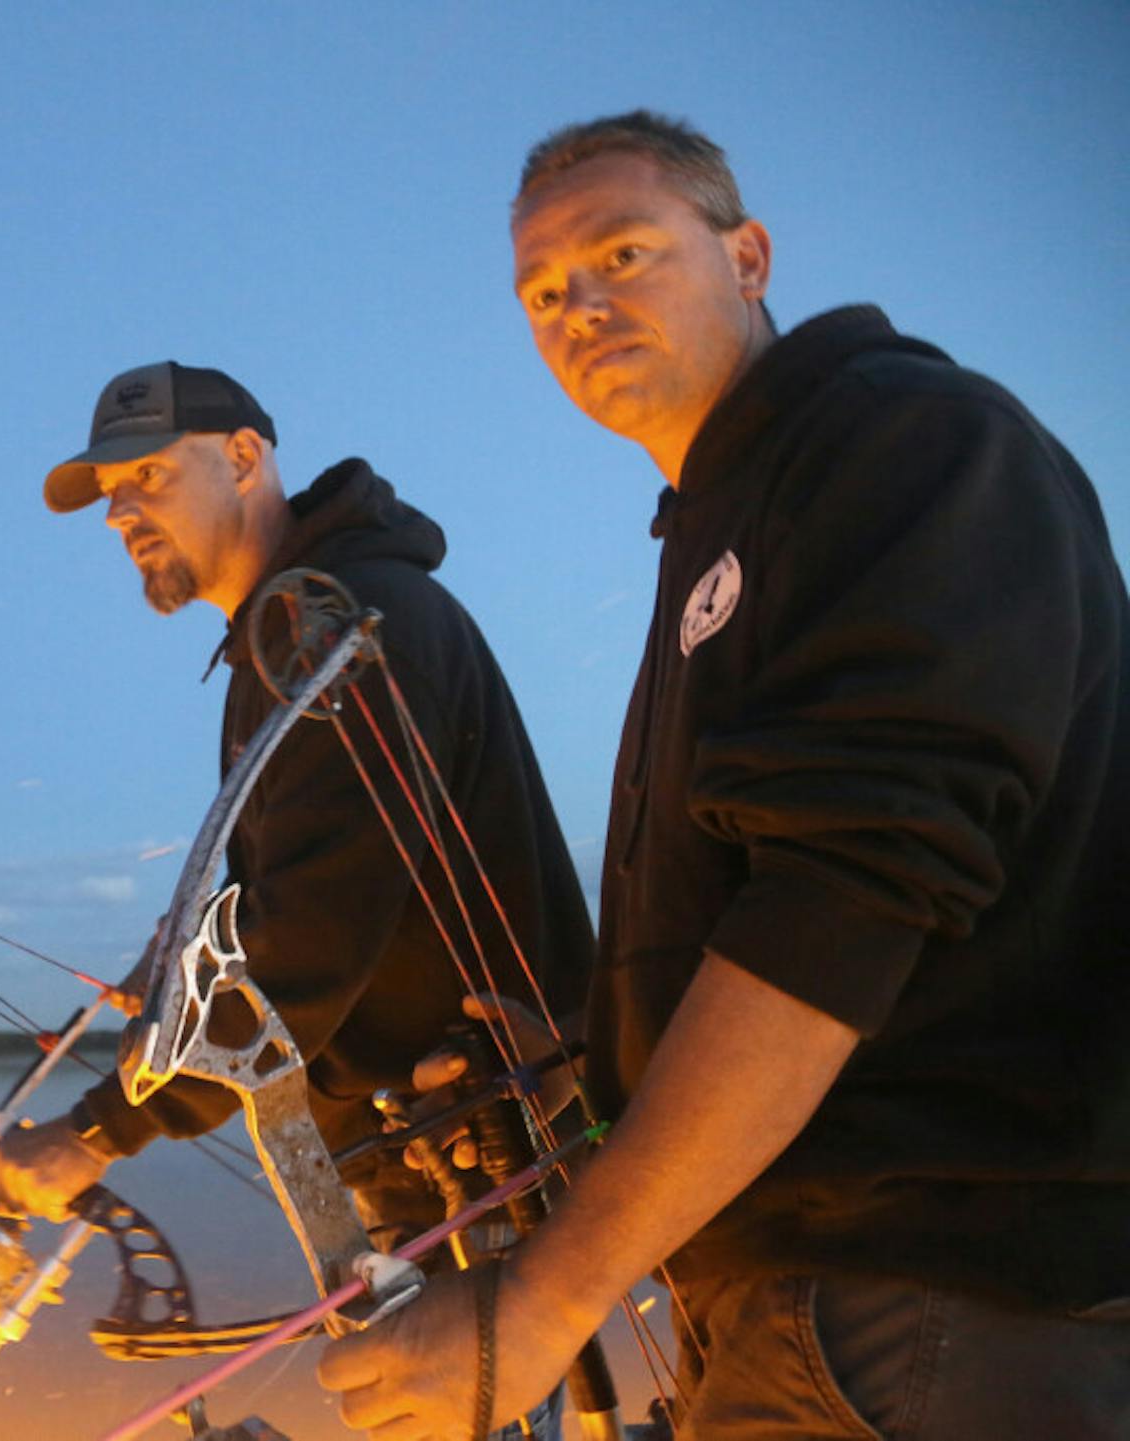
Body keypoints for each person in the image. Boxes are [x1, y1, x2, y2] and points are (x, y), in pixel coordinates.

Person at [318, 110, 1130, 1438]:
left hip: (931, 1308)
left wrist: (547, 1296)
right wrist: (598, 1068)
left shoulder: (905, 444)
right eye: (543, 291)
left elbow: (851, 894)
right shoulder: (723, 524)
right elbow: (780, 895)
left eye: (625, 252)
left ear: (747, 256)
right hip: (794, 1305)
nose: (580, 303)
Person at [0, 360, 595, 1261]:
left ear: (242, 457)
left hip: (485, 1139)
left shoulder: (340, 628)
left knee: (483, 1402)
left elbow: (311, 934)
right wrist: (184, 968)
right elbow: (293, 895)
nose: (119, 514)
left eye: (148, 474)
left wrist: (96, 1132)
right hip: (409, 1140)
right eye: (112, 491)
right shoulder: (281, 639)